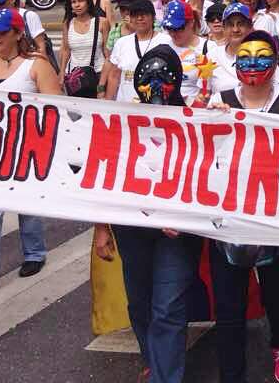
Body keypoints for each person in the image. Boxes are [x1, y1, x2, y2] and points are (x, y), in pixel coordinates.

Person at [208, 30, 279, 383]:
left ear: (275, 62)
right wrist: (209, 118)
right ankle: (231, 370)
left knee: (278, 289)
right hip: (229, 217)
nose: (253, 64)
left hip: (277, 215)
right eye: (245, 57)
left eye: (261, 56)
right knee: (228, 300)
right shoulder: (219, 99)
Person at [93, 45, 202, 383]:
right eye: (147, 77)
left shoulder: (197, 122)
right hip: (133, 229)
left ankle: (165, 377)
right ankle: (153, 359)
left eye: (163, 77)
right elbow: (106, 172)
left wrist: (185, 217)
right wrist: (101, 227)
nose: (155, 85)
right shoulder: (124, 122)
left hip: (175, 232)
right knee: (139, 303)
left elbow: (208, 175)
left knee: (167, 308)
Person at [0, 9, 61, 294]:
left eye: (1, 31)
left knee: (26, 202)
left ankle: (34, 252)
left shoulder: (36, 65)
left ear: (17, 33)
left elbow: (55, 107)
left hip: (27, 146)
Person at [105, 0, 171, 102]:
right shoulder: (122, 43)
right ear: (130, 18)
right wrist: (108, 103)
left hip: (155, 106)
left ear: (153, 17)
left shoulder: (166, 41)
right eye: (135, 15)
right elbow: (114, 76)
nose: (139, 18)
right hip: (125, 106)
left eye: (144, 14)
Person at [60, 0, 109, 96]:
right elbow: (66, 50)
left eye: (80, 1)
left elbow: (107, 53)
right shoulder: (68, 23)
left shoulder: (102, 22)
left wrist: (104, 81)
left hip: (97, 74)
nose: (77, 5)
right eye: (73, 2)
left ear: (88, 2)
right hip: (74, 77)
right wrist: (62, 72)